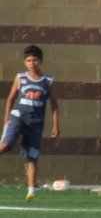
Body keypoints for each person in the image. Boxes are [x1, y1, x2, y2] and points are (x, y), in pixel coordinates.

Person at [0, 45, 60, 201]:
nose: (32, 63)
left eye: (35, 60)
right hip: (18, 117)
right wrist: (6, 117)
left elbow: (54, 104)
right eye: (29, 60)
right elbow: (11, 97)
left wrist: (55, 125)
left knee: (32, 157)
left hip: (35, 123)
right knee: (5, 146)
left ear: (40, 61)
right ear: (25, 62)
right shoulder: (21, 78)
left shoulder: (48, 81)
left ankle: (31, 191)